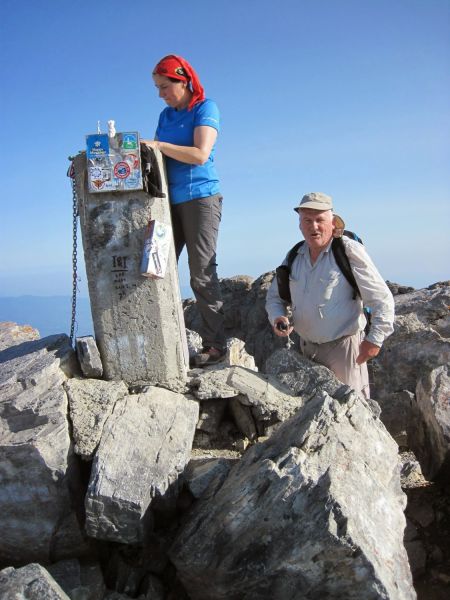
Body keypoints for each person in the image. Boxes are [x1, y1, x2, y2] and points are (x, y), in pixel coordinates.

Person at [265, 192, 395, 399]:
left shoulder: (348, 251)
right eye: (307, 220)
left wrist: (375, 340)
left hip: (343, 352)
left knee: (349, 408)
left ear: (333, 223)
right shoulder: (295, 255)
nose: (313, 226)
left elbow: (382, 298)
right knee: (312, 410)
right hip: (305, 351)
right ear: (300, 225)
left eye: (320, 220)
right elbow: (274, 298)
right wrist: (278, 317)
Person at [143, 54, 226, 367]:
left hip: (200, 198)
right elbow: (157, 158)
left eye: (165, 87)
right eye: (157, 88)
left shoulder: (205, 108)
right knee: (156, 265)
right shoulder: (165, 116)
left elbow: (200, 154)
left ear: (183, 81)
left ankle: (215, 346)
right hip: (166, 201)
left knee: (201, 273)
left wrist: (159, 146)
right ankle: (157, 339)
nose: (160, 94)